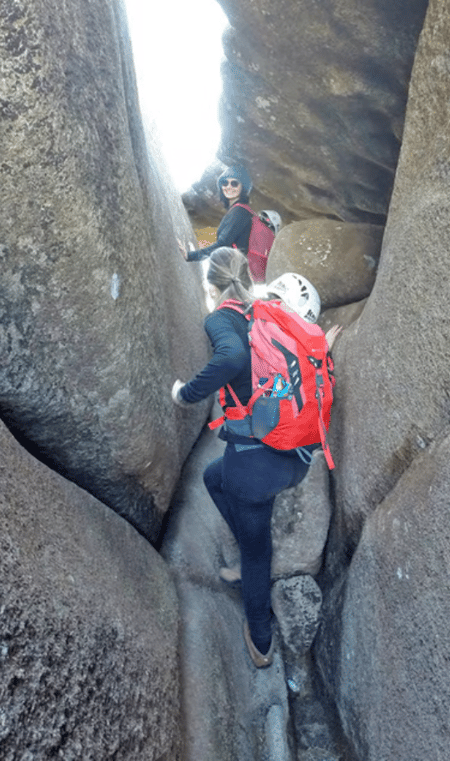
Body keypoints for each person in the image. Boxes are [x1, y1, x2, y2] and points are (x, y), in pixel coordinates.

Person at [170, 247, 330, 669]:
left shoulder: (232, 319)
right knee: (211, 476)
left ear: (212, 284)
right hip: (296, 459)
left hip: (256, 467)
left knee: (257, 549)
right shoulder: (281, 327)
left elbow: (232, 358)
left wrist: (185, 395)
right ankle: (248, 544)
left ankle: (261, 640)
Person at [178, 164, 254, 264]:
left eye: (234, 184)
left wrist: (189, 256)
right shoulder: (235, 209)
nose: (228, 187)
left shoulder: (239, 213)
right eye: (225, 183)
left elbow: (222, 245)